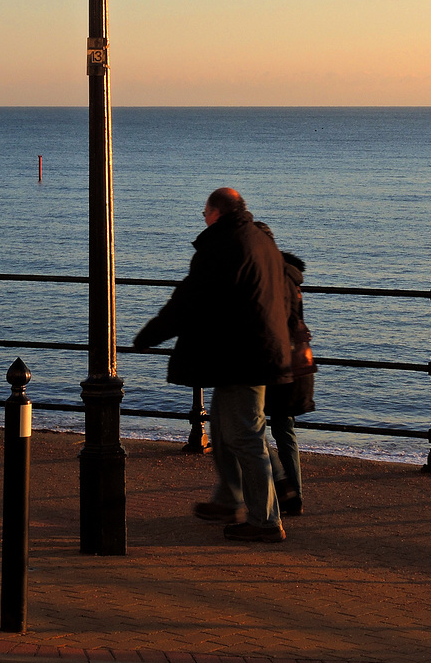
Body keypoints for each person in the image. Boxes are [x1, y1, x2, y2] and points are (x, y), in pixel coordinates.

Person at [133, 187, 292, 543]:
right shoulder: (257, 239)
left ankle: (265, 520)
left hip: (242, 356)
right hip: (254, 350)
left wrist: (149, 334)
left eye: (204, 211)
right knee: (224, 429)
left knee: (245, 436)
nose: (203, 217)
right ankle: (230, 499)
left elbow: (189, 299)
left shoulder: (224, 245)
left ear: (216, 212)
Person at [262, 245, 317, 517]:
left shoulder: (273, 277)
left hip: (273, 364)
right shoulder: (291, 277)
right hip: (291, 366)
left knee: (250, 428)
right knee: (283, 429)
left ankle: (282, 491)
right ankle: (293, 493)